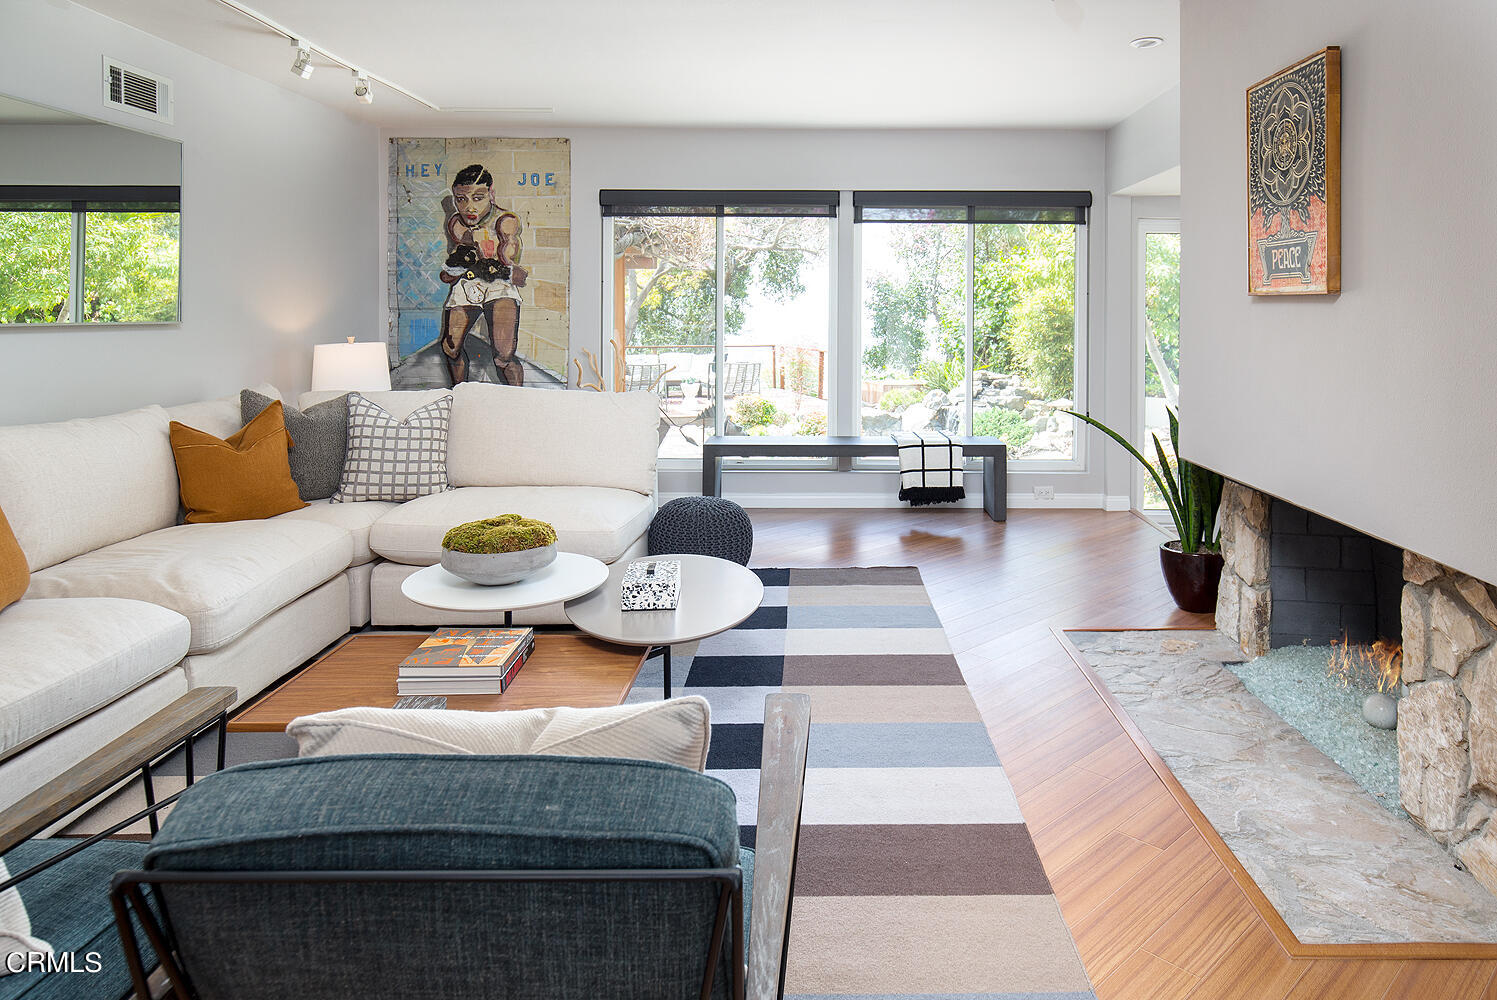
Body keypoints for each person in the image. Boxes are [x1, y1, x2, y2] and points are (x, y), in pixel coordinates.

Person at [438, 163, 528, 386]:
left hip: (500, 284)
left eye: (477, 198)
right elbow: (450, 273)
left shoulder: (505, 222)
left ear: (491, 194)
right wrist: (456, 265)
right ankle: (459, 396)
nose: (469, 207)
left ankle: (521, 402)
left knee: (503, 357)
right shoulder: (456, 223)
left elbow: (518, 275)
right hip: (469, 283)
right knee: (450, 348)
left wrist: (500, 265)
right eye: (461, 199)